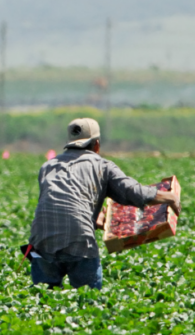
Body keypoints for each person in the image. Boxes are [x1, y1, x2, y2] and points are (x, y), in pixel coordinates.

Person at [28, 118, 181, 290]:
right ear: (97, 145)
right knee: (89, 301)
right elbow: (133, 192)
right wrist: (169, 197)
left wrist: (93, 216)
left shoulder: (47, 166)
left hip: (41, 242)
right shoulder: (102, 166)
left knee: (45, 300)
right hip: (79, 242)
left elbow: (61, 201)